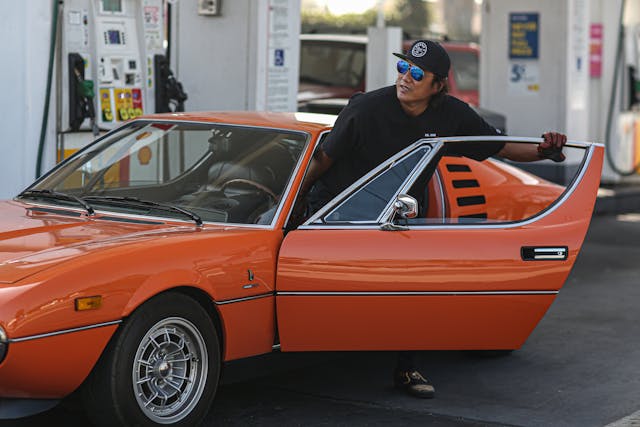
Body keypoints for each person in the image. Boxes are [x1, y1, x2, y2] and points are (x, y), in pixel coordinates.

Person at [297, 39, 568, 399]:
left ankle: (406, 368)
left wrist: (545, 151)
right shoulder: (365, 109)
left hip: (401, 212)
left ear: (438, 85)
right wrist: (292, 209)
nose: (405, 78)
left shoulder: (450, 115)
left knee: (412, 288)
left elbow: (498, 146)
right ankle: (312, 352)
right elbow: (321, 162)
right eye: (402, 67)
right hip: (340, 207)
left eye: (416, 73)